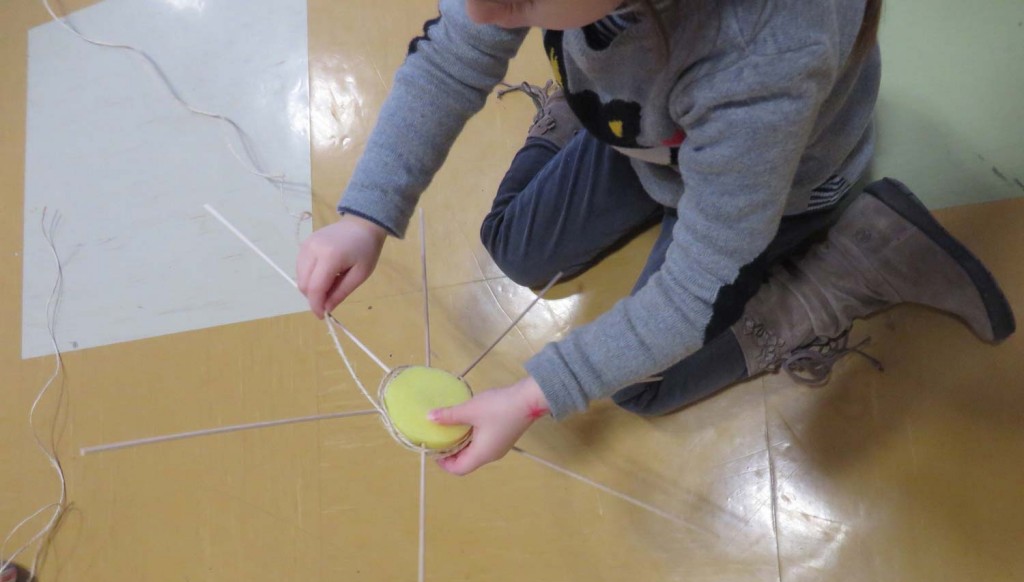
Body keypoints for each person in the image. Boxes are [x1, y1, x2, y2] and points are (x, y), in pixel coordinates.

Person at [296, 0, 1015, 475]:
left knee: (642, 387)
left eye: (522, 1)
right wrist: (368, 214)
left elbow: (694, 289)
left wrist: (537, 395)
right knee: (513, 245)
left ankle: (857, 259)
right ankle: (594, 99)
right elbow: (455, 54)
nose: (482, 10)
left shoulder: (762, 56)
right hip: (650, 139)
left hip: (779, 189)